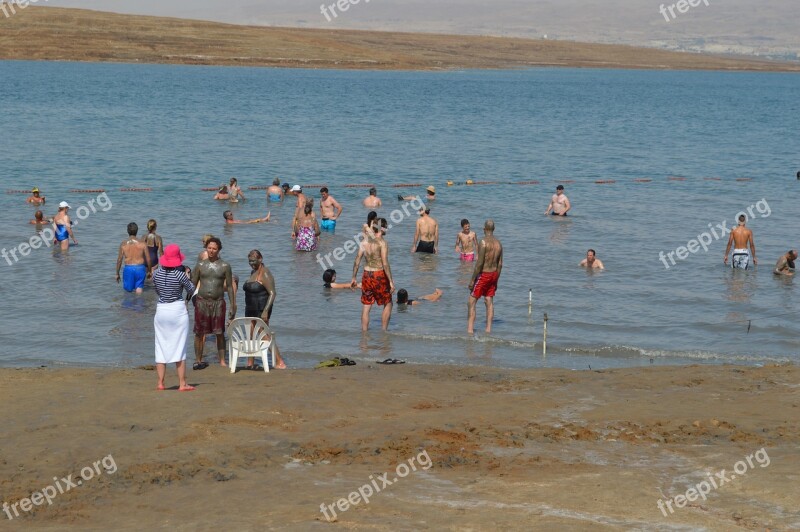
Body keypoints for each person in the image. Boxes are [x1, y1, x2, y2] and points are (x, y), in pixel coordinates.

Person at [152, 244, 196, 391]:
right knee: (180, 346)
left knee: (160, 345)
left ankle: (160, 382)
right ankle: (182, 383)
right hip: (177, 309)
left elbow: (158, 291)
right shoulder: (180, 274)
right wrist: (188, 276)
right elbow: (192, 290)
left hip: (162, 309)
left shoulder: (156, 273)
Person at [191, 237, 236, 369]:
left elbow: (229, 287)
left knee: (219, 332)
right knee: (199, 332)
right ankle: (198, 360)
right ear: (206, 248)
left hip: (218, 302)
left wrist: (233, 305)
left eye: (214, 249)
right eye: (209, 248)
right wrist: (185, 301)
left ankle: (222, 361)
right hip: (201, 302)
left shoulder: (225, 266)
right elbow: (192, 284)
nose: (211, 251)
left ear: (219, 250)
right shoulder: (200, 265)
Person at [243, 250, 286, 369]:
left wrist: (266, 310)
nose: (251, 263)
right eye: (250, 261)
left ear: (260, 259)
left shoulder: (265, 273)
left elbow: (272, 293)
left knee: (263, 334)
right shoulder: (253, 272)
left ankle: (279, 361)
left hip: (261, 309)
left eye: (254, 260)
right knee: (250, 335)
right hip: (250, 308)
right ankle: (250, 362)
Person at [352, 218, 395, 331]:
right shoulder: (382, 243)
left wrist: (353, 278)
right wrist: (390, 281)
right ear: (382, 228)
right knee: (388, 302)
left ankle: (364, 333)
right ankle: (384, 331)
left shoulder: (364, 241)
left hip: (367, 274)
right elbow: (385, 263)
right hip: (379, 274)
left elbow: (357, 260)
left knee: (366, 306)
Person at [468, 220, 503, 335]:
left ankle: (470, 331)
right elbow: (500, 264)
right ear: (494, 229)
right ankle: (488, 330)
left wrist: (473, 280)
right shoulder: (499, 243)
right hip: (494, 274)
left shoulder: (483, 242)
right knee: (489, 300)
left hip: (484, 274)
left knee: (471, 301)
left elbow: (479, 263)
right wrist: (496, 280)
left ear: (484, 229)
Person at [116, 222, 151, 294]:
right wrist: (149, 271)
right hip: (140, 268)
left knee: (128, 291)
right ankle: (139, 303)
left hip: (129, 269)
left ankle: (129, 304)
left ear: (127, 231)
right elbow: (148, 259)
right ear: (137, 231)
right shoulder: (142, 243)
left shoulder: (123, 244)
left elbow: (119, 260)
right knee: (139, 289)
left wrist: (117, 273)